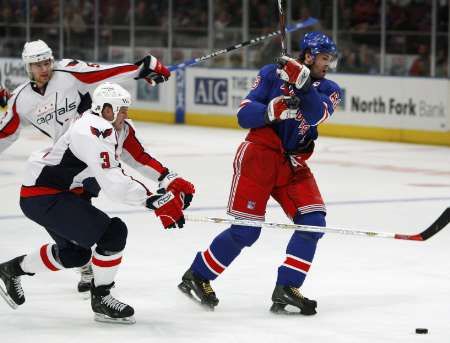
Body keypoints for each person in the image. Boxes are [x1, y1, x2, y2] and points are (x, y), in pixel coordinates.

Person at [0, 82, 195, 324]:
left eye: (126, 110)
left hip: (63, 192)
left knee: (75, 255)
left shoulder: (118, 127)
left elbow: (138, 156)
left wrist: (169, 178)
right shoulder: (90, 129)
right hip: (43, 194)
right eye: (121, 110)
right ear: (105, 109)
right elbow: (112, 180)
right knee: (113, 233)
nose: (126, 115)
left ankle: (10, 270)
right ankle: (101, 298)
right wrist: (153, 200)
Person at [178, 32, 342, 315]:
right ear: (309, 55)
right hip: (259, 157)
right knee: (247, 231)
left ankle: (287, 287)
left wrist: (302, 84)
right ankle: (198, 275)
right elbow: (244, 115)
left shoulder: (330, 88)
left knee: (313, 222)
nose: (329, 65)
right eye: (325, 58)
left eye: (331, 60)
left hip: (293, 163)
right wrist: (271, 109)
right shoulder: (271, 74)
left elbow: (315, 115)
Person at [0, 39, 171, 293]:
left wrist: (140, 69)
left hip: (88, 154)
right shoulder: (21, 99)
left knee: (84, 210)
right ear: (28, 67)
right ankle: (80, 262)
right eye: (37, 65)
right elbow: (6, 133)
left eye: (47, 62)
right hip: (61, 162)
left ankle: (84, 264)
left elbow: (103, 72)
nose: (44, 68)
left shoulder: (69, 72)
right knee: (75, 231)